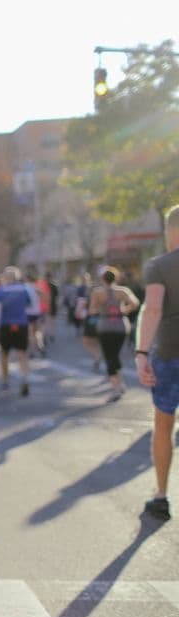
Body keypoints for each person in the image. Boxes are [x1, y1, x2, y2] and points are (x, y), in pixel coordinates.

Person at [135, 204, 179, 521]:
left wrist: (141, 354)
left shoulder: (159, 266)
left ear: (170, 231)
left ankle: (161, 496)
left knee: (164, 424)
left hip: (169, 352)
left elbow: (152, 309)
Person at [88, 266, 140, 402]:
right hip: (121, 326)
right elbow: (135, 303)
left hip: (105, 326)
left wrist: (102, 310)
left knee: (109, 356)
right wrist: (124, 310)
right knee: (115, 355)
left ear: (102, 279)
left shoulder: (97, 292)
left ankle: (115, 388)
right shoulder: (122, 291)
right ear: (116, 278)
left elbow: (92, 310)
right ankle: (120, 383)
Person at [0, 266, 32, 397]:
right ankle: (25, 378)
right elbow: (30, 306)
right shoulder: (24, 289)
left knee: (4, 354)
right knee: (22, 354)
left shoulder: (0, 291)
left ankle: (5, 381)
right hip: (22, 324)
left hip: (6, 325)